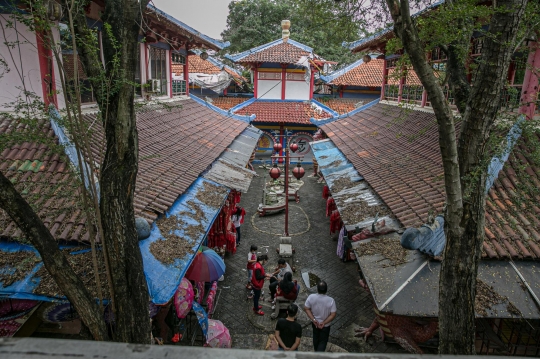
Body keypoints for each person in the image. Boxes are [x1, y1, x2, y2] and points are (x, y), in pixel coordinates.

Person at [304, 281, 336, 352]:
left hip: (315, 324)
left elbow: (306, 308)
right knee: (323, 341)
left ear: (317, 289)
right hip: (326, 326)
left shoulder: (311, 297)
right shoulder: (331, 300)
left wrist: (314, 320)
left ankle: (316, 351)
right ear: (326, 290)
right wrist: (324, 323)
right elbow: (333, 314)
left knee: (315, 337)